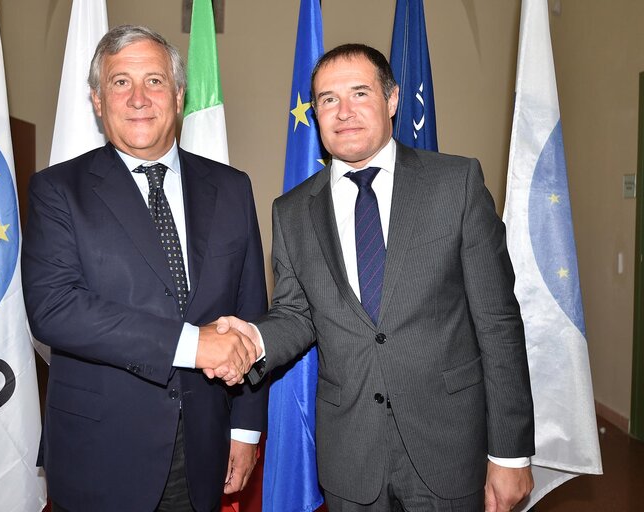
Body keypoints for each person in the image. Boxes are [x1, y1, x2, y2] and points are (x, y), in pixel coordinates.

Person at [217, 44, 535, 512]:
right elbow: (296, 314)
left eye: (359, 93)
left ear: (391, 101)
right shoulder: (291, 212)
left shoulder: (457, 183)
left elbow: (498, 322)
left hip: (449, 447)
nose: (343, 112)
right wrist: (253, 341)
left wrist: (509, 452)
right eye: (327, 99)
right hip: (351, 456)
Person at [22, 25, 267, 512]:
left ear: (178, 96)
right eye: (120, 83)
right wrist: (193, 343)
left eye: (154, 81)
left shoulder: (232, 187)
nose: (138, 98)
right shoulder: (57, 191)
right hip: (101, 450)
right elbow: (55, 309)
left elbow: (250, 310)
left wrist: (244, 427)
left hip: (203, 443)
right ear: (97, 100)